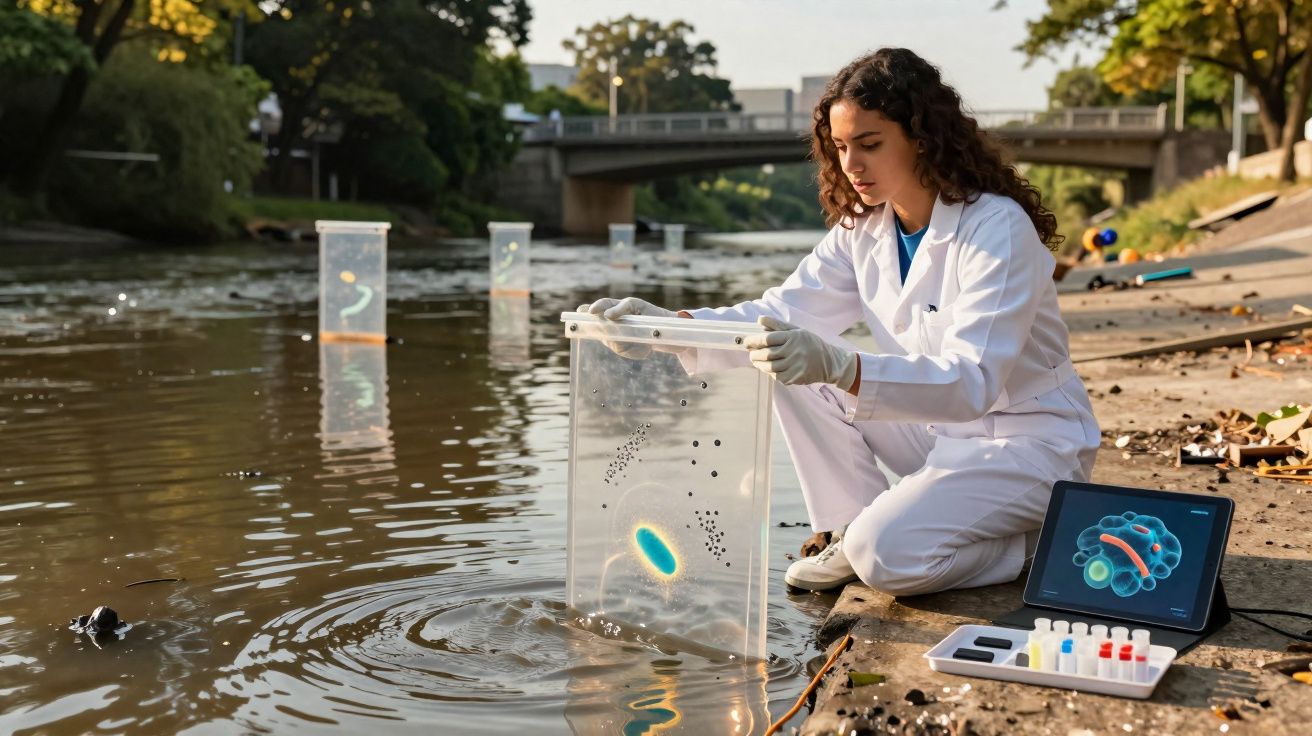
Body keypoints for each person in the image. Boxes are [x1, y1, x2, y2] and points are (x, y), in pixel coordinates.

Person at [578, 48, 1099, 597]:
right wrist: (666, 328)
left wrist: (842, 365)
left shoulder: (997, 227)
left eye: (871, 145)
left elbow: (972, 381)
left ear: (922, 137)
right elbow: (777, 314)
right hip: (940, 435)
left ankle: (1022, 545)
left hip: (1027, 444)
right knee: (780, 353)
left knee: (888, 558)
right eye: (842, 147)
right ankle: (849, 526)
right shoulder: (866, 231)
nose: (852, 165)